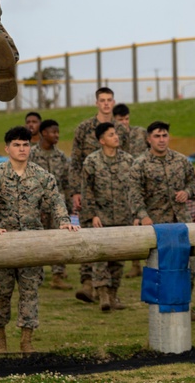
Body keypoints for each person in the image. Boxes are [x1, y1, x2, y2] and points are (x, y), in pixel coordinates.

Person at [0, 126, 79, 354]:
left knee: (30, 292)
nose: (22, 149)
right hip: (3, 243)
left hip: (32, 243)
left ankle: (26, 340)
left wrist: (64, 220)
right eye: (16, 145)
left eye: (25, 145)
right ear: (7, 148)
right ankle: (0, 338)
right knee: (0, 292)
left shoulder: (41, 176)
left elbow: (56, 200)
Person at [129, 121, 195, 320]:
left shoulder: (180, 160)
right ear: (148, 139)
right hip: (156, 225)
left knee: (190, 266)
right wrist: (143, 216)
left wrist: (187, 193)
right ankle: (162, 309)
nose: (161, 140)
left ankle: (184, 304)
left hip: (181, 223)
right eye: (157, 136)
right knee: (160, 268)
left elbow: (193, 182)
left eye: (164, 135)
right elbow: (134, 194)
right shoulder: (140, 164)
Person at [68, 87, 129, 302]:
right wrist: (76, 191)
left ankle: (107, 291)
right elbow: (75, 162)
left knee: (115, 248)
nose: (105, 104)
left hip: (117, 199)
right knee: (90, 239)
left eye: (109, 100)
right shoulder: (84, 128)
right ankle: (88, 285)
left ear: (113, 102)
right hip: (89, 191)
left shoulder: (121, 131)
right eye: (102, 100)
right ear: (96, 103)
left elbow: (128, 159)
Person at [81, 122, 137, 312]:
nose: (116, 137)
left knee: (118, 258)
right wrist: (92, 215)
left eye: (116, 134)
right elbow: (87, 191)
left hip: (123, 217)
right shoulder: (91, 162)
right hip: (101, 217)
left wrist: (136, 214)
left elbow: (135, 189)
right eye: (111, 134)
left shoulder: (128, 160)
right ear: (102, 140)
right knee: (100, 256)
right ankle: (103, 294)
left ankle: (113, 295)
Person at [28, 118, 72, 290]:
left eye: (58, 132)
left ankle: (57, 275)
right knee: (36, 242)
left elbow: (66, 182)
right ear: (44, 133)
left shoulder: (60, 156)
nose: (57, 136)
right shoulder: (31, 155)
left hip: (56, 208)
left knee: (59, 241)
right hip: (35, 207)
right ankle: (34, 276)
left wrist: (67, 205)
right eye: (53, 132)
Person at [113, 102, 148, 278]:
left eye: (126, 119)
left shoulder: (140, 133)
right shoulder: (111, 136)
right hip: (119, 187)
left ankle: (138, 264)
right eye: (120, 120)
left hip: (141, 184)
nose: (124, 123)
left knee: (140, 222)